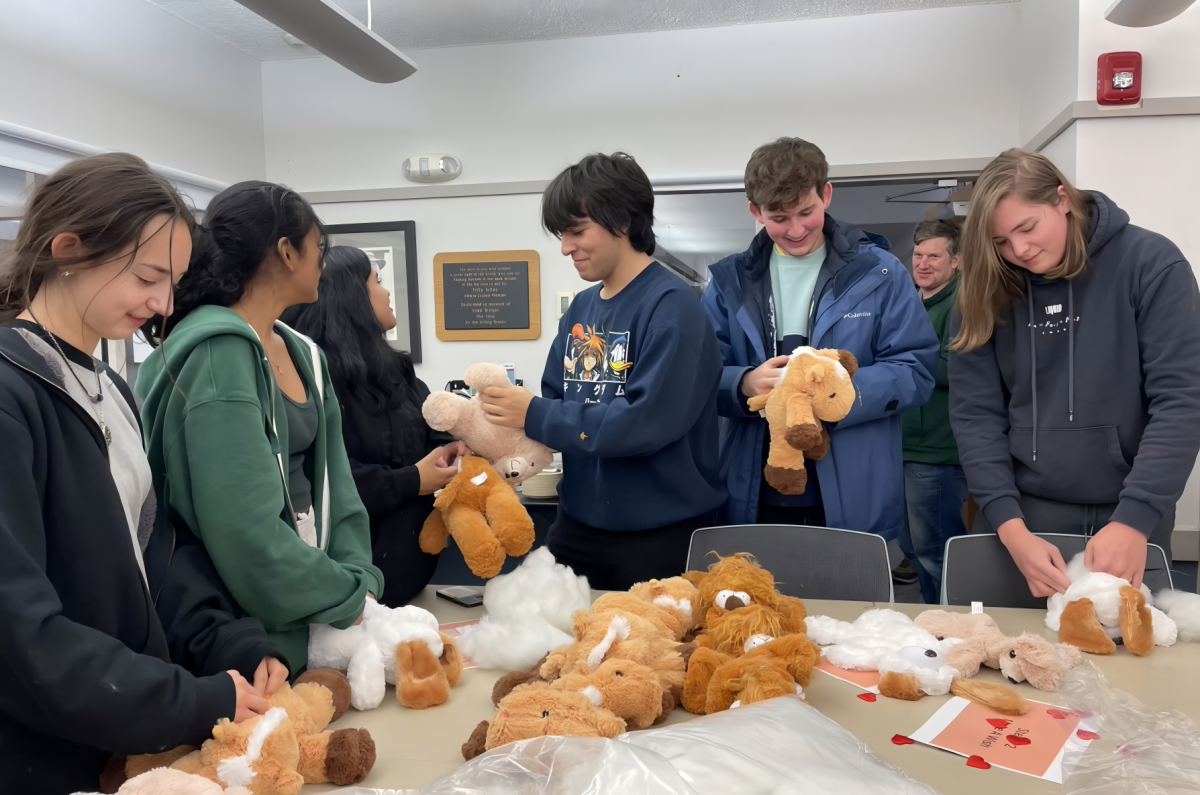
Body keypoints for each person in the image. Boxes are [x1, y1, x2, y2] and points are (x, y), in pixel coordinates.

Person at [0, 153, 284, 793]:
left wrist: (232, 646)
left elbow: (153, 553)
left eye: (175, 281)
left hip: (123, 743)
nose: (163, 304)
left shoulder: (109, 389)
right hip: (40, 756)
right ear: (67, 249)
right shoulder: (11, 395)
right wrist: (189, 700)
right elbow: (18, 631)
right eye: (149, 277)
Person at [137, 182, 383, 672]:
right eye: (321, 247)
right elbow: (244, 533)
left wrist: (359, 580)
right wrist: (345, 593)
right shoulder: (218, 352)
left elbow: (339, 488)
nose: (323, 260)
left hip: (320, 600)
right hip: (247, 627)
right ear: (287, 252)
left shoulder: (301, 350)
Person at [950, 149, 1200, 597]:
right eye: (1000, 242)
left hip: (1131, 514)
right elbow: (976, 417)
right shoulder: (985, 288)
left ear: (1062, 198)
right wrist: (1010, 528)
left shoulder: (1150, 263)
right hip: (1022, 517)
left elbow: (1182, 401)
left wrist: (1135, 518)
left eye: (1027, 228)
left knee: (1133, 657)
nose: (1019, 251)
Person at [478, 152, 726, 589]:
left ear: (623, 222)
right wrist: (487, 435)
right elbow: (555, 400)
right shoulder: (582, 307)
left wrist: (533, 412)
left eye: (577, 231)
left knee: (645, 656)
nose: (565, 247)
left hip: (658, 535)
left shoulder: (673, 308)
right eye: (562, 234)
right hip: (577, 524)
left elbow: (644, 424)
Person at [702, 137, 938, 538]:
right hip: (749, 493)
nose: (796, 230)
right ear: (755, 211)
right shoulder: (727, 281)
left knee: (847, 601)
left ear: (826, 195)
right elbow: (698, 375)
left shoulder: (881, 272)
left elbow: (916, 369)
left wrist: (841, 392)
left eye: (806, 212)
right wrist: (742, 383)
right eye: (778, 217)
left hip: (853, 491)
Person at [281, 246, 466, 605]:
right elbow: (322, 480)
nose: (387, 292)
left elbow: (431, 421)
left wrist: (451, 445)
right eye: (377, 282)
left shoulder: (396, 370)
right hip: (350, 591)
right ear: (350, 300)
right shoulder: (312, 380)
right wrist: (412, 480)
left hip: (411, 578)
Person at [897, 219, 968, 603]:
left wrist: (898, 366)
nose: (923, 264)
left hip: (937, 452)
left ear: (955, 261)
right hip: (903, 447)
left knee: (936, 552)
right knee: (911, 548)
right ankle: (931, 619)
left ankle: (956, 628)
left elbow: (958, 368)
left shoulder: (964, 305)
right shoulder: (909, 303)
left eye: (934, 256)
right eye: (918, 255)